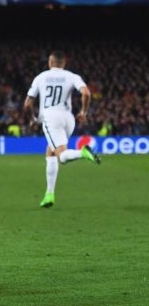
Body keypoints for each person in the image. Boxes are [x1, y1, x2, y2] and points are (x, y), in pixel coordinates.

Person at [24, 51, 101, 208]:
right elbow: (86, 93)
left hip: (50, 118)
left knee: (62, 156)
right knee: (50, 151)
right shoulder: (72, 76)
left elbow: (27, 104)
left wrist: (32, 120)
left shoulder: (41, 77)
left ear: (50, 63)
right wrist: (83, 112)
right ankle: (49, 194)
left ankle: (83, 152)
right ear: (63, 63)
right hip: (68, 118)